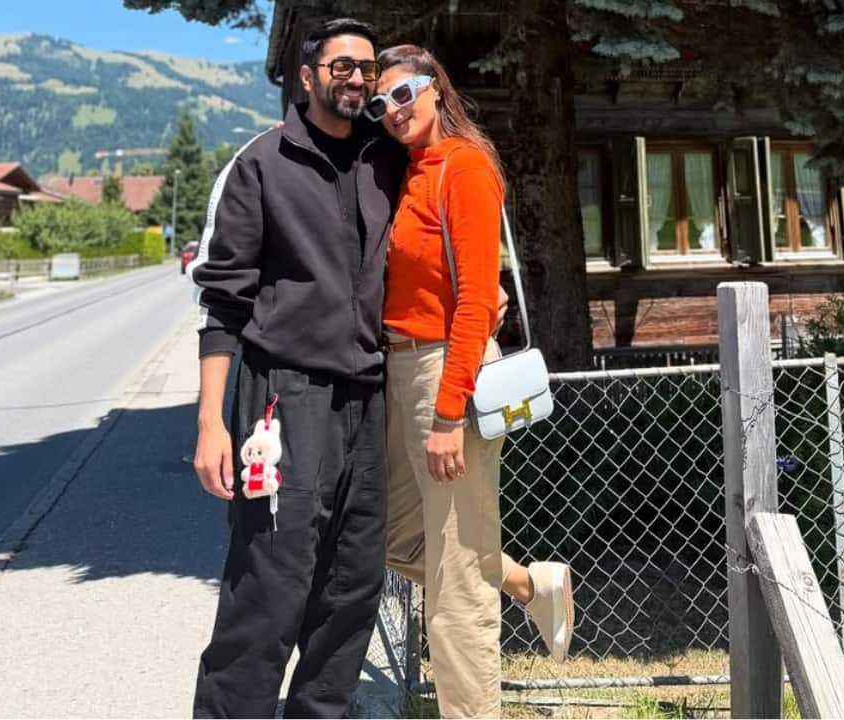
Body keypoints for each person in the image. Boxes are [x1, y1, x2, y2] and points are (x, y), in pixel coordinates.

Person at [189, 18, 403, 718]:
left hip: (367, 399)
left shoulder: (383, 161)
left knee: (352, 586)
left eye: (366, 66)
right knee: (271, 585)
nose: (357, 77)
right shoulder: (264, 164)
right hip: (284, 400)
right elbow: (223, 302)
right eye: (341, 65)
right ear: (307, 77)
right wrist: (211, 425)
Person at [373, 44, 575, 718]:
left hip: (445, 370)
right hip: (401, 367)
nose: (392, 110)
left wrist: (447, 413)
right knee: (402, 542)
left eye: (404, 93)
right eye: (381, 103)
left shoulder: (464, 166)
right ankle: (529, 582)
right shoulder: (409, 170)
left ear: (437, 89)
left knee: (454, 594)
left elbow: (471, 302)